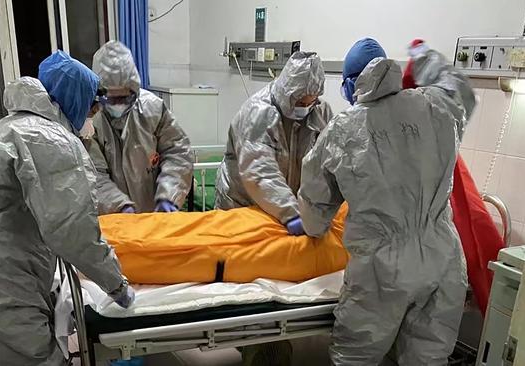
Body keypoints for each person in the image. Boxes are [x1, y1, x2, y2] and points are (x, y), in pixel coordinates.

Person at [0, 51, 135, 366]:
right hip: (2, 274)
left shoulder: (9, 129)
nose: (90, 120)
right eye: (90, 108)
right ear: (74, 100)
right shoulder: (50, 139)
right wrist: (116, 285)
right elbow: (73, 229)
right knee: (36, 360)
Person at [298, 38, 476, 365]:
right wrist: (425, 56)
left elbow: (314, 201)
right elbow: (463, 91)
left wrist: (311, 227)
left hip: (382, 270)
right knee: (428, 358)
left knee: (356, 357)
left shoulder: (344, 129)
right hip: (442, 257)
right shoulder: (436, 106)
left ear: (352, 83)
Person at [215, 51, 333, 235]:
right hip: (243, 207)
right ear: (287, 93)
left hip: (283, 211)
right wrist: (291, 213)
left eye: (311, 102)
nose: (305, 108)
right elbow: (259, 172)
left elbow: (327, 162)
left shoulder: (319, 113)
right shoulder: (258, 113)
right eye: (300, 102)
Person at [86, 41, 193, 214]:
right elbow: (94, 174)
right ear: (100, 93)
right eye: (112, 99)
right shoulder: (92, 122)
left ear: (134, 90)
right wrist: (119, 205)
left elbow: (177, 153)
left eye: (125, 97)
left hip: (155, 214)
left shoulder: (154, 110)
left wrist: (169, 195)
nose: (119, 105)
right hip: (115, 219)